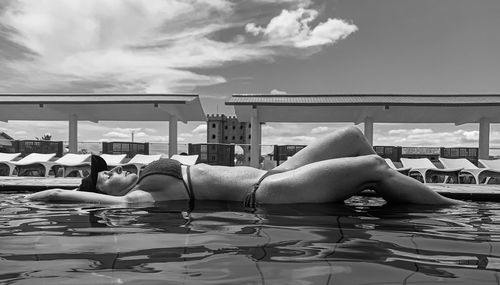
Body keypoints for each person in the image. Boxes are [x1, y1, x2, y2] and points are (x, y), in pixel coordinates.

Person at [27, 127, 461, 206]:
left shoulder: (143, 178)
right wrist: (48, 194)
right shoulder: (142, 197)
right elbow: (100, 203)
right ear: (105, 194)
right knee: (374, 164)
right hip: (269, 194)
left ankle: (390, 194)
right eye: (105, 178)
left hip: (276, 173)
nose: (112, 172)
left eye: (108, 169)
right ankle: (451, 208)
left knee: (350, 136)